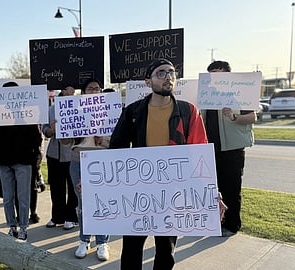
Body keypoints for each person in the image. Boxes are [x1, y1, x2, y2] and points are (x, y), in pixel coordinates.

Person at [109, 59, 209, 269]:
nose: (168, 77)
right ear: (148, 82)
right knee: (131, 250)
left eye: (172, 73)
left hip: (173, 194)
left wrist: (211, 192)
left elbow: (199, 153)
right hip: (139, 193)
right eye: (161, 73)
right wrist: (94, 184)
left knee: (166, 251)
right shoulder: (133, 112)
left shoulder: (189, 111)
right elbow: (116, 150)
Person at [0, 81, 43, 241]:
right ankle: (12, 226)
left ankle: (23, 227)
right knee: (8, 197)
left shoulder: (28, 113)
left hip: (23, 160)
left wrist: (35, 160)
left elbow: (37, 138)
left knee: (23, 197)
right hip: (4, 161)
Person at [203, 60, 256, 237]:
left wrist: (233, 117)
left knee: (231, 189)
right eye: (211, 74)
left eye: (218, 73)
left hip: (232, 149)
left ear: (228, 75)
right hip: (209, 149)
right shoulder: (204, 94)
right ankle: (215, 223)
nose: (214, 77)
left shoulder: (239, 93)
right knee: (212, 189)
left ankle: (232, 225)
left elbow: (252, 117)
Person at [61, 78, 111, 261]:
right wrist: (61, 129)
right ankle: (84, 239)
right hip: (78, 161)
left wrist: (103, 139)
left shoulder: (108, 111)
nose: (95, 91)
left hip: (101, 160)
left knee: (101, 202)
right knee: (83, 203)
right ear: (83, 93)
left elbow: (117, 141)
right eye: (90, 88)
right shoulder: (74, 112)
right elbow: (65, 143)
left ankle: (102, 242)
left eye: (98, 88)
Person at [43, 85, 78, 230]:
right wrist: (51, 130)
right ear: (62, 90)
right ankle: (57, 216)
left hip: (72, 153)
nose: (71, 91)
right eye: (68, 88)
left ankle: (71, 217)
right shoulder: (52, 108)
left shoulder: (79, 105)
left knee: (73, 186)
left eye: (73, 88)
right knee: (56, 187)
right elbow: (45, 129)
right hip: (54, 153)